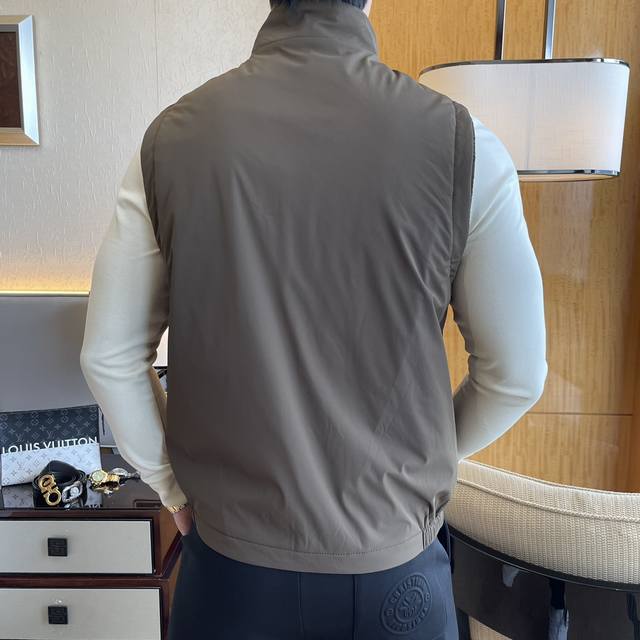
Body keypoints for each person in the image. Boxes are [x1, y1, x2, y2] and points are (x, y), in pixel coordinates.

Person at [80, 0, 548, 637]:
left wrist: (172, 488)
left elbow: (108, 357)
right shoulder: (467, 145)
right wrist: (412, 473)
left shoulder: (171, 140)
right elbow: (515, 377)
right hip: (393, 573)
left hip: (232, 571)